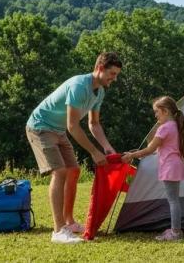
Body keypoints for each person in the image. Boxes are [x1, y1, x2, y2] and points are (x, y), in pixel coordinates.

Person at [26, 51, 122, 244]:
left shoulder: (100, 92)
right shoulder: (79, 86)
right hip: (40, 127)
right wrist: (94, 152)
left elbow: (93, 124)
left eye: (117, 75)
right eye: (112, 74)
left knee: (74, 171)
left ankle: (69, 222)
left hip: (58, 130)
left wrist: (106, 147)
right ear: (100, 68)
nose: (115, 78)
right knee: (60, 172)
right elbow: (73, 125)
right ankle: (58, 231)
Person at [122, 96, 184, 241]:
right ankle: (175, 230)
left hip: (169, 167)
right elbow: (157, 149)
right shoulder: (175, 126)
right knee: (174, 200)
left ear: (165, 111)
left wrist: (132, 155)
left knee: (173, 200)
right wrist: (139, 154)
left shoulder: (164, 128)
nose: (155, 115)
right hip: (175, 165)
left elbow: (149, 149)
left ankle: (175, 232)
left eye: (157, 112)